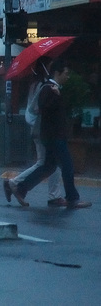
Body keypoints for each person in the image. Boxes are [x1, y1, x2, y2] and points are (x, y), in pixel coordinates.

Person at [9, 60, 92, 209]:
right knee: (67, 165)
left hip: (52, 136)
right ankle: (72, 198)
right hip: (54, 137)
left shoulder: (53, 89)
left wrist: (58, 94)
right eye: (66, 74)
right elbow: (44, 108)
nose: (68, 77)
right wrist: (57, 96)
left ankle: (21, 189)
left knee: (48, 167)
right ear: (57, 73)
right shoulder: (48, 88)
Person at [3, 57, 64, 206]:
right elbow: (38, 107)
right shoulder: (43, 86)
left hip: (41, 128)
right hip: (42, 129)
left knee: (48, 163)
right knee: (47, 163)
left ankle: (17, 185)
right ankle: (15, 184)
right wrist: (55, 96)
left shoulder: (38, 84)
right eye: (49, 65)